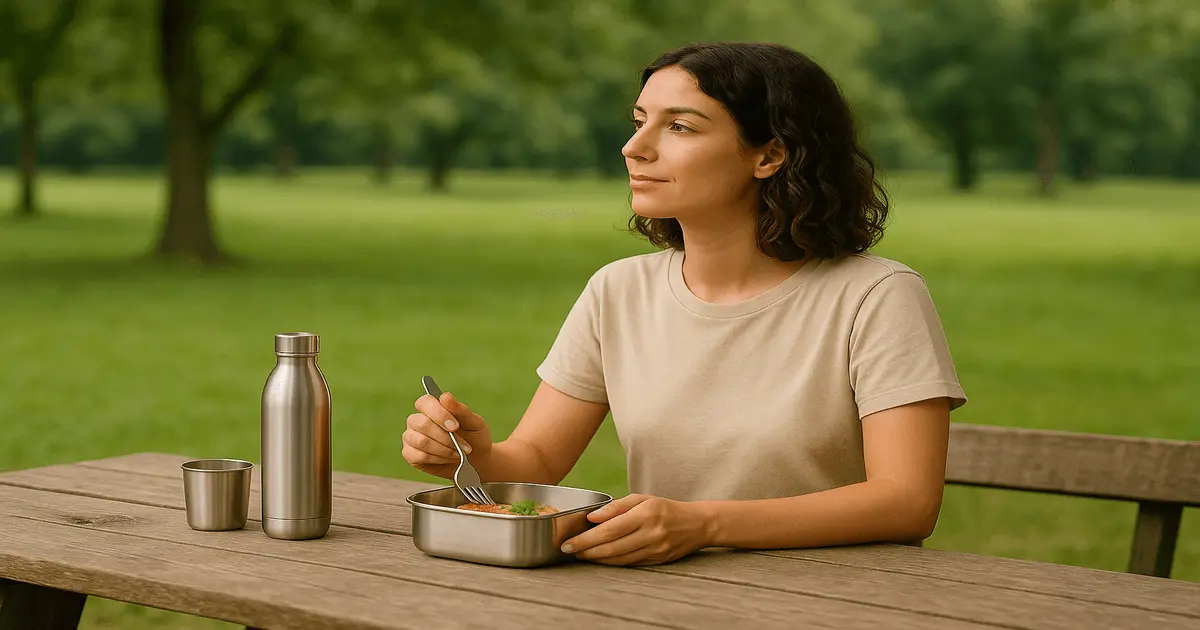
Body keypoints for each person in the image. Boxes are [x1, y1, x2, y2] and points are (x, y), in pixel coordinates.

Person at [403, 41, 967, 567]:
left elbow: (906, 501)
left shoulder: (875, 296)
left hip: (846, 597)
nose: (635, 147)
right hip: (669, 595)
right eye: (639, 120)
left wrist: (703, 524)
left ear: (770, 156)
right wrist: (467, 453)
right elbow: (535, 461)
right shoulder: (618, 291)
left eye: (679, 126)